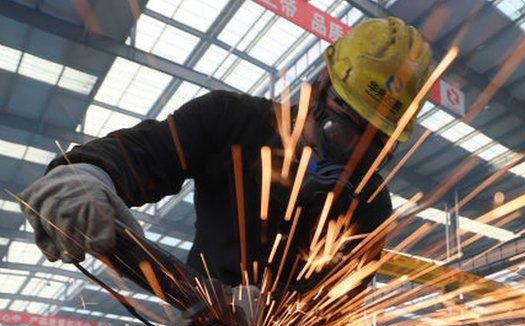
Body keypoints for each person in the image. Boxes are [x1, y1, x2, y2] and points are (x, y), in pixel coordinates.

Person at [19, 17, 432, 296]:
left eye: (374, 149)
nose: (352, 159)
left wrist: (282, 321)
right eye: (342, 134)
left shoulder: (370, 201)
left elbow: (343, 305)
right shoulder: (230, 121)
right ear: (320, 85)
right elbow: (149, 151)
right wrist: (89, 174)